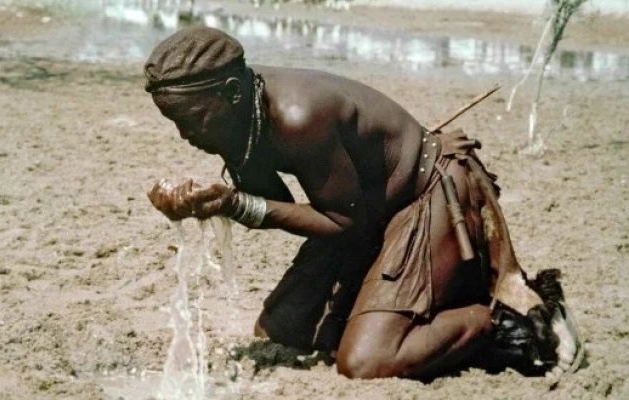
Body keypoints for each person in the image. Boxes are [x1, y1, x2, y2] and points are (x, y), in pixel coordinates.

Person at [143, 26, 582, 379]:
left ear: (232, 94)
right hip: (364, 209)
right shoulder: (237, 110)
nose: (186, 135)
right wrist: (208, 202)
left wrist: (234, 204)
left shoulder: (298, 115)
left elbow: (340, 222)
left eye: (191, 121)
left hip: (425, 194)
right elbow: (276, 203)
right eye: (175, 123)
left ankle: (506, 322)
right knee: (282, 331)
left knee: (365, 360)